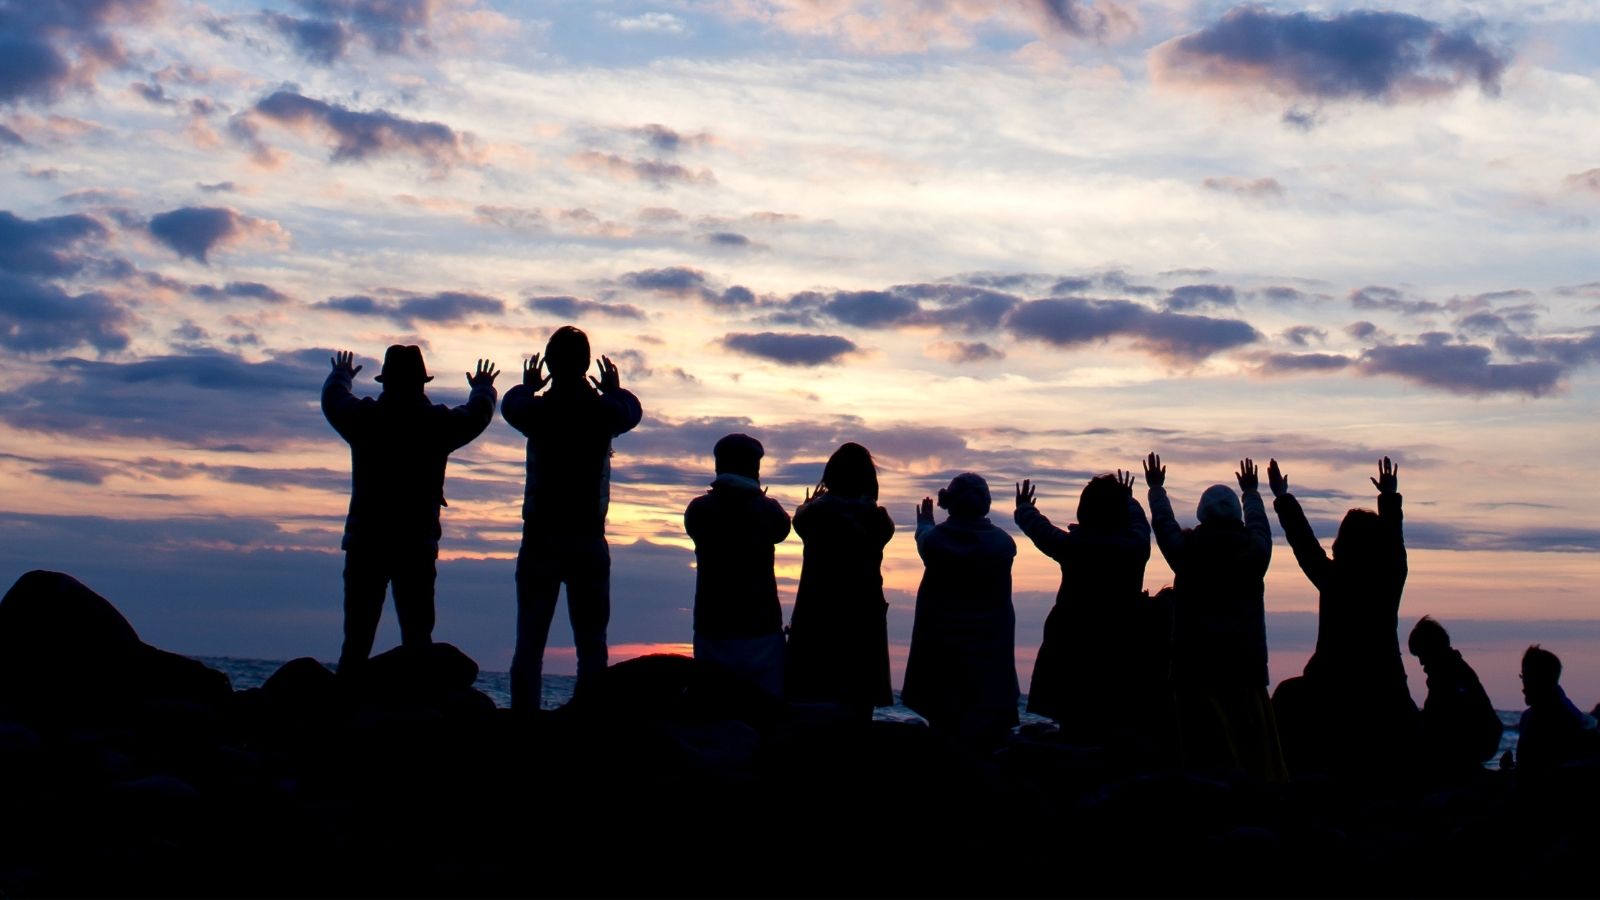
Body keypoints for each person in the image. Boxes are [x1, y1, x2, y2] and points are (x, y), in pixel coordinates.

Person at [322, 346, 498, 678]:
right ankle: (419, 717)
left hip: (365, 542)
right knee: (417, 640)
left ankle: (342, 716)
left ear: (385, 381)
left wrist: (341, 375)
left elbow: (333, 400)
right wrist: (483, 388)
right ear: (422, 382)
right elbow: (478, 414)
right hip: (416, 545)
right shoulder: (437, 423)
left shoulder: (364, 419)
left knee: (356, 641)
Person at [501, 326, 642, 709]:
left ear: (547, 362)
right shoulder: (602, 412)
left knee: (529, 641)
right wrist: (614, 390)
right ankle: (589, 721)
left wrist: (527, 385)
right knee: (592, 643)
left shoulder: (538, 410)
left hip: (540, 538)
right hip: (587, 538)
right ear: (586, 364)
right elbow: (632, 412)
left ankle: (523, 718)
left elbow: (510, 406)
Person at [1268, 457, 1417, 776]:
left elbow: (1304, 544)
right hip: (1385, 691)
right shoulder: (1389, 578)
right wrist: (1389, 497)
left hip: (1332, 691)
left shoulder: (1334, 579)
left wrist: (1282, 497)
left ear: (1343, 544)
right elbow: (1395, 541)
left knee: (1286, 698)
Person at [1145, 453, 1285, 781]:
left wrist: (1156, 489)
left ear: (1202, 515)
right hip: (1245, 667)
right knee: (1252, 752)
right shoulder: (1255, 553)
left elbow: (1163, 525)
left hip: (1194, 669)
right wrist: (1251, 491)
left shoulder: (1186, 551)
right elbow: (1260, 524)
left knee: (1201, 754)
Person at [1014, 471, 1153, 748]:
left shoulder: (1074, 545)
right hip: (1121, 643)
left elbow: (1041, 530)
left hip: (1072, 645)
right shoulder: (1135, 548)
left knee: (1073, 724)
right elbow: (1140, 524)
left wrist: (1024, 508)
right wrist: (1129, 500)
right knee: (1113, 723)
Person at [901, 473, 1019, 748]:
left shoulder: (936, 541)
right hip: (991, 645)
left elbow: (925, 539)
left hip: (943, 645)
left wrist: (925, 523)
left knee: (944, 730)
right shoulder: (1004, 544)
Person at [785, 443, 895, 719]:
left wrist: (809, 503)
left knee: (811, 702)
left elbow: (800, 518)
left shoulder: (813, 516)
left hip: (817, 613)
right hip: (863, 617)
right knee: (858, 704)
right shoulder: (879, 521)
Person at [684, 433, 792, 697]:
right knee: (765, 712)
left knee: (714, 709)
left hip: (712, 628)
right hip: (761, 629)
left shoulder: (698, 509)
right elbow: (782, 528)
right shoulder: (768, 511)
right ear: (755, 468)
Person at [1408, 616, 1502, 775]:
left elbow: (1441, 717)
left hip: (1476, 741)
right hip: (1477, 740)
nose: (1421, 663)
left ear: (1431, 649)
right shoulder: (1451, 670)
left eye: (1421, 655)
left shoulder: (1449, 674)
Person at [1513, 645, 1598, 772]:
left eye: (1528, 676)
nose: (1525, 683)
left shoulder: (1563, 718)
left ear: (1544, 678)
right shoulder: (1532, 716)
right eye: (1523, 676)